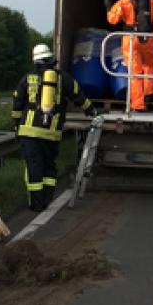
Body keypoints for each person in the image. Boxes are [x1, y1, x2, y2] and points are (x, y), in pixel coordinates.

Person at [12, 44, 98, 211]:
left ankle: (37, 205)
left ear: (35, 61)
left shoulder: (27, 79)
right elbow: (79, 97)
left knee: (34, 167)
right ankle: (47, 199)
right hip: (51, 133)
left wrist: (16, 125)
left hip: (28, 132)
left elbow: (17, 104)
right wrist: (93, 112)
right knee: (49, 166)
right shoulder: (64, 78)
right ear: (51, 59)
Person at [106, 0, 153, 112]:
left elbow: (112, 20)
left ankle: (138, 105)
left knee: (135, 72)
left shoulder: (123, 2)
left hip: (131, 39)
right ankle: (149, 95)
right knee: (150, 66)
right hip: (149, 38)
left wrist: (108, 7)